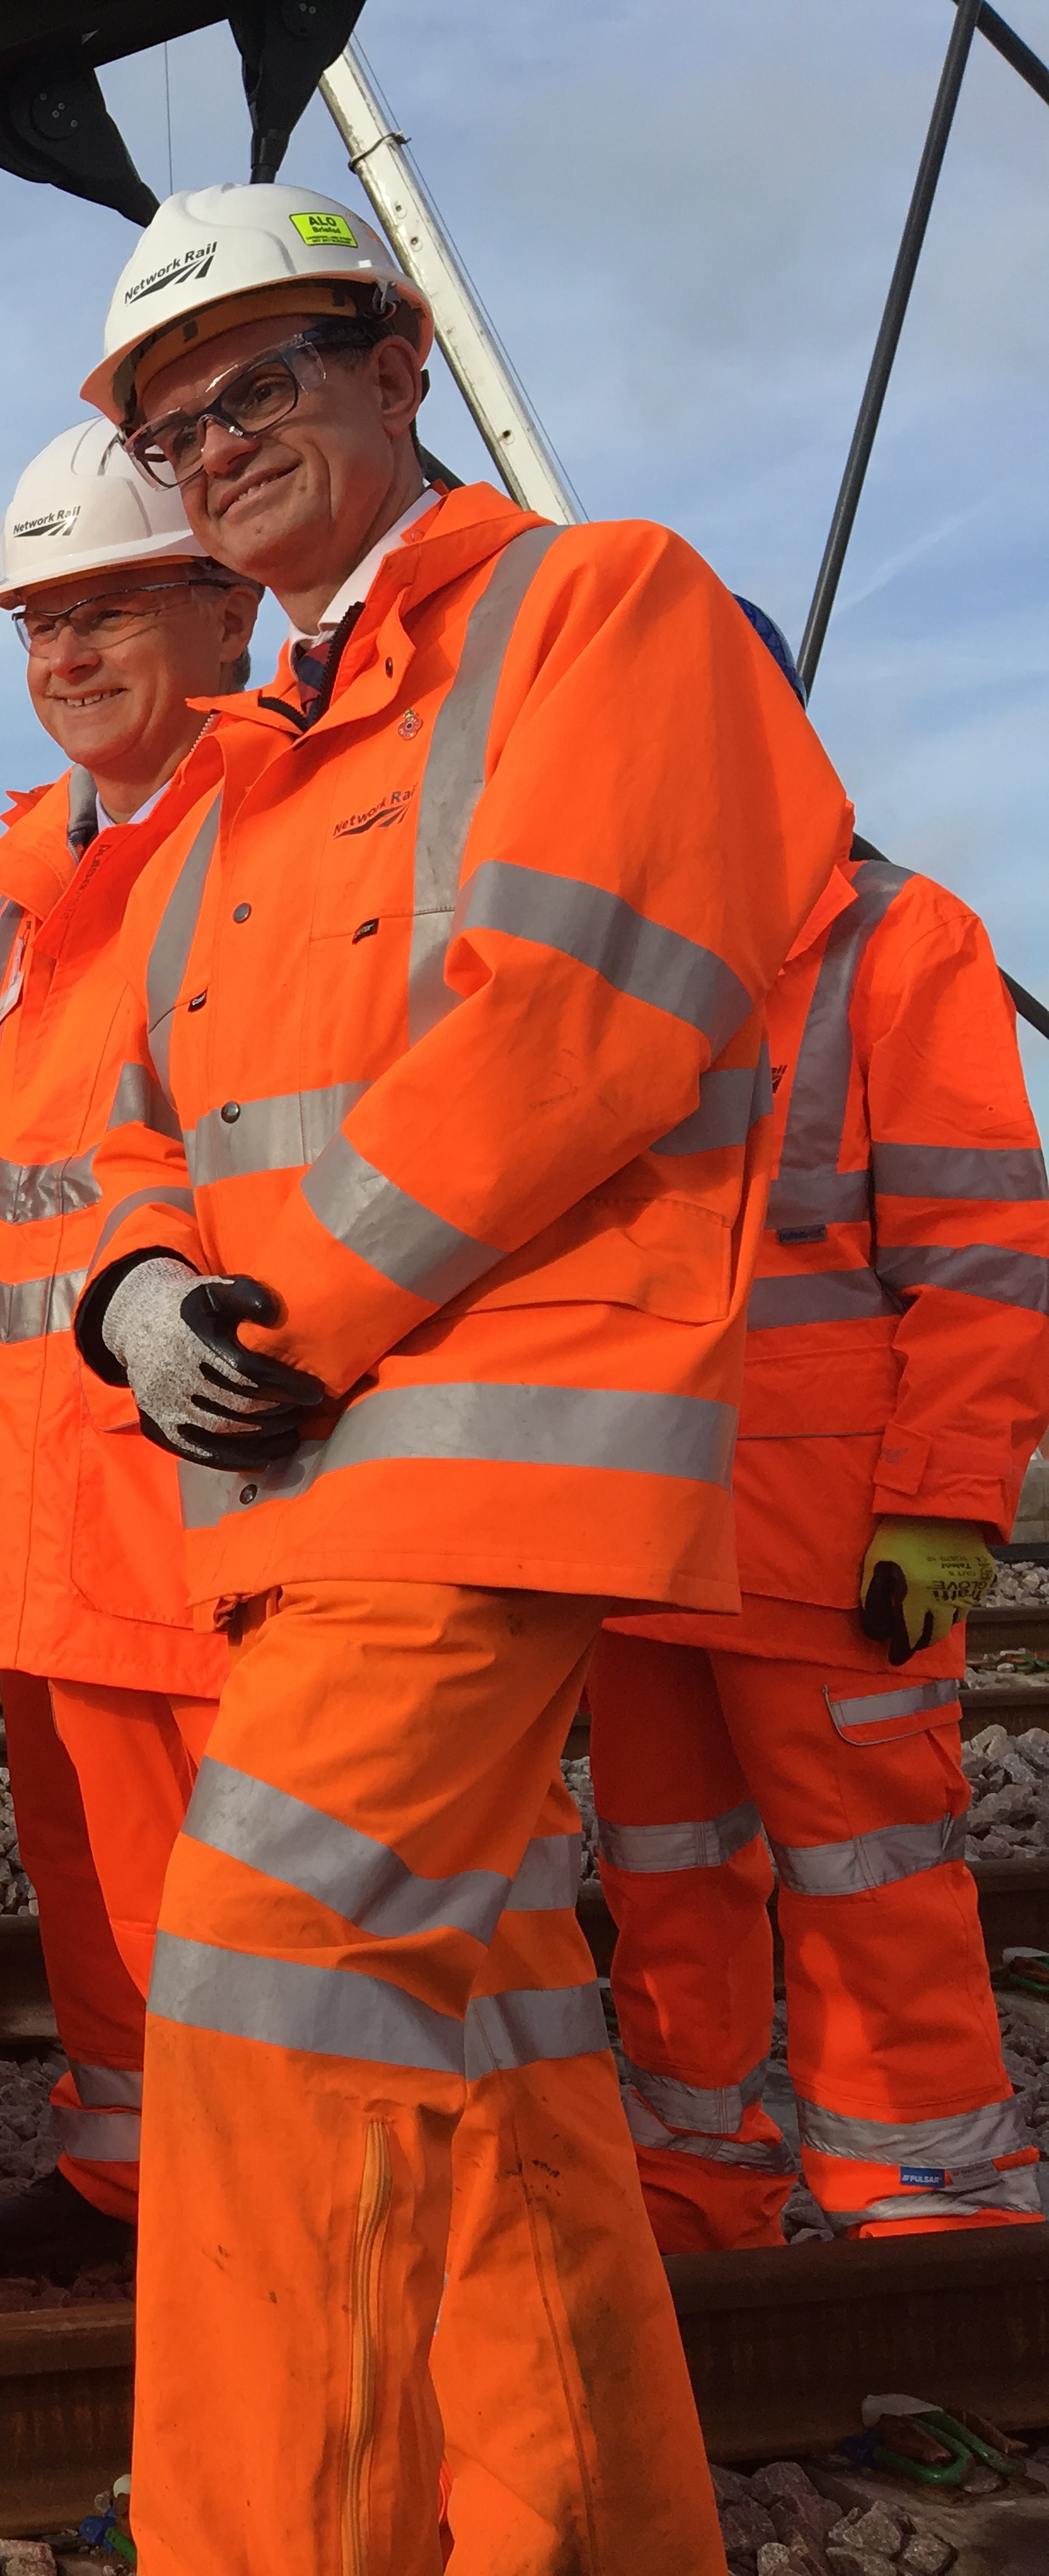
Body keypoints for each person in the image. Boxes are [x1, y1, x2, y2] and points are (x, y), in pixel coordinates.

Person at [66, 182, 846, 2566]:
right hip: (307, 1500)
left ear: (398, 364)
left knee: (261, 1991)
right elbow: (129, 1113)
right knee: (488, 2051)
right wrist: (130, 1297)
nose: (220, 445)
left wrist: (270, 1310)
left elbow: (582, 1028)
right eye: (178, 428)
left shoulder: (591, 610)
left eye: (264, 384)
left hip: (470, 1470)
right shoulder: (243, 769)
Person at [590, 604, 1049, 2246]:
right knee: (664, 1880)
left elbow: (986, 1258)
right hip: (639, 1531)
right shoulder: (612, 961)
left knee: (875, 1886)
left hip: (830, 1538)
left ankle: (928, 2201)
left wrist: (945, 1501)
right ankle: (694, 2177)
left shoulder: (895, 941)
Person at [0, 426, 262, 2282]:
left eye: (108, 607)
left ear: (226, 602)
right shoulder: (32, 887)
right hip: (46, 1500)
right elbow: (5, 1208)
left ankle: (248, 2221)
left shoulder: (267, 835)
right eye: (40, 620)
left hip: (202, 1493)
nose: (63, 654)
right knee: (87, 1877)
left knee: (227, 1901)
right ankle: (134, 2172)